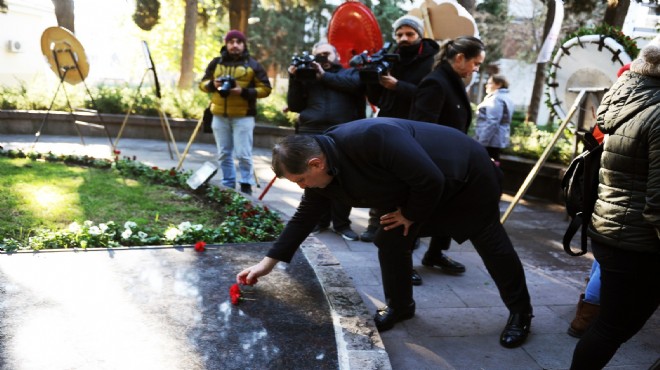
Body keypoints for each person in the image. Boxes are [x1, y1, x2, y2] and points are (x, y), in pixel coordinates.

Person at [237, 117, 534, 348]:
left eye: (301, 180)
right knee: (390, 238)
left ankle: (521, 313)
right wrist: (268, 263)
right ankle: (401, 306)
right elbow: (304, 217)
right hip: (418, 187)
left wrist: (410, 215)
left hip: (464, 177)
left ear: (316, 163)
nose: (302, 187)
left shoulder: (371, 138)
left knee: (490, 242)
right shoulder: (322, 166)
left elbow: (430, 179)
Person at [569, 36, 660, 369]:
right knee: (612, 328)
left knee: (611, 325)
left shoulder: (628, 96)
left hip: (611, 229)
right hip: (639, 242)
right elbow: (657, 202)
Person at [360, 15, 465, 282]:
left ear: (419, 35)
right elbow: (377, 98)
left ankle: (434, 252)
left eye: (408, 34)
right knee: (394, 187)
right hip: (390, 125)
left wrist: (399, 86)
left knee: (433, 193)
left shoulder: (433, 61)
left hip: (420, 130)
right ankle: (390, 238)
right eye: (399, 35)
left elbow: (427, 93)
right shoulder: (389, 56)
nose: (403, 39)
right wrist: (372, 79)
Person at [408, 35, 487, 278]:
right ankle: (402, 262)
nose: (476, 68)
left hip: (450, 165)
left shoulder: (453, 81)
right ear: (460, 58)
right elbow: (422, 128)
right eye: (476, 63)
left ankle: (435, 254)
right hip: (432, 165)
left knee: (449, 211)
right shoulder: (435, 82)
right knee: (417, 213)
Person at [286, 41, 364, 241]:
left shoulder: (349, 73)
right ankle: (319, 221)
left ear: (336, 55)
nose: (323, 58)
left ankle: (341, 224)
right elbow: (294, 105)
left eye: (326, 54)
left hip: (342, 131)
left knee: (343, 177)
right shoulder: (306, 76)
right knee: (311, 176)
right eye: (318, 55)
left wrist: (324, 76)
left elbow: (356, 87)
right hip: (311, 130)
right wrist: (293, 79)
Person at [199, 30, 272, 196]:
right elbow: (202, 84)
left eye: (238, 42)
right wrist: (212, 84)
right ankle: (228, 184)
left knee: (243, 154)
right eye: (231, 42)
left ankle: (246, 184)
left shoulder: (253, 65)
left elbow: (266, 89)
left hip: (243, 116)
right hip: (219, 115)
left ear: (244, 45)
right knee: (223, 153)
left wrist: (243, 92)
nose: (234, 45)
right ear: (226, 44)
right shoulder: (215, 63)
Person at [473, 74, 514, 166]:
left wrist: (481, 142)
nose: (486, 85)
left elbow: (492, 122)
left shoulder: (496, 99)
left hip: (490, 141)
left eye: (490, 83)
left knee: (486, 167)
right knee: (493, 165)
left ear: (498, 84)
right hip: (496, 140)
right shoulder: (506, 97)